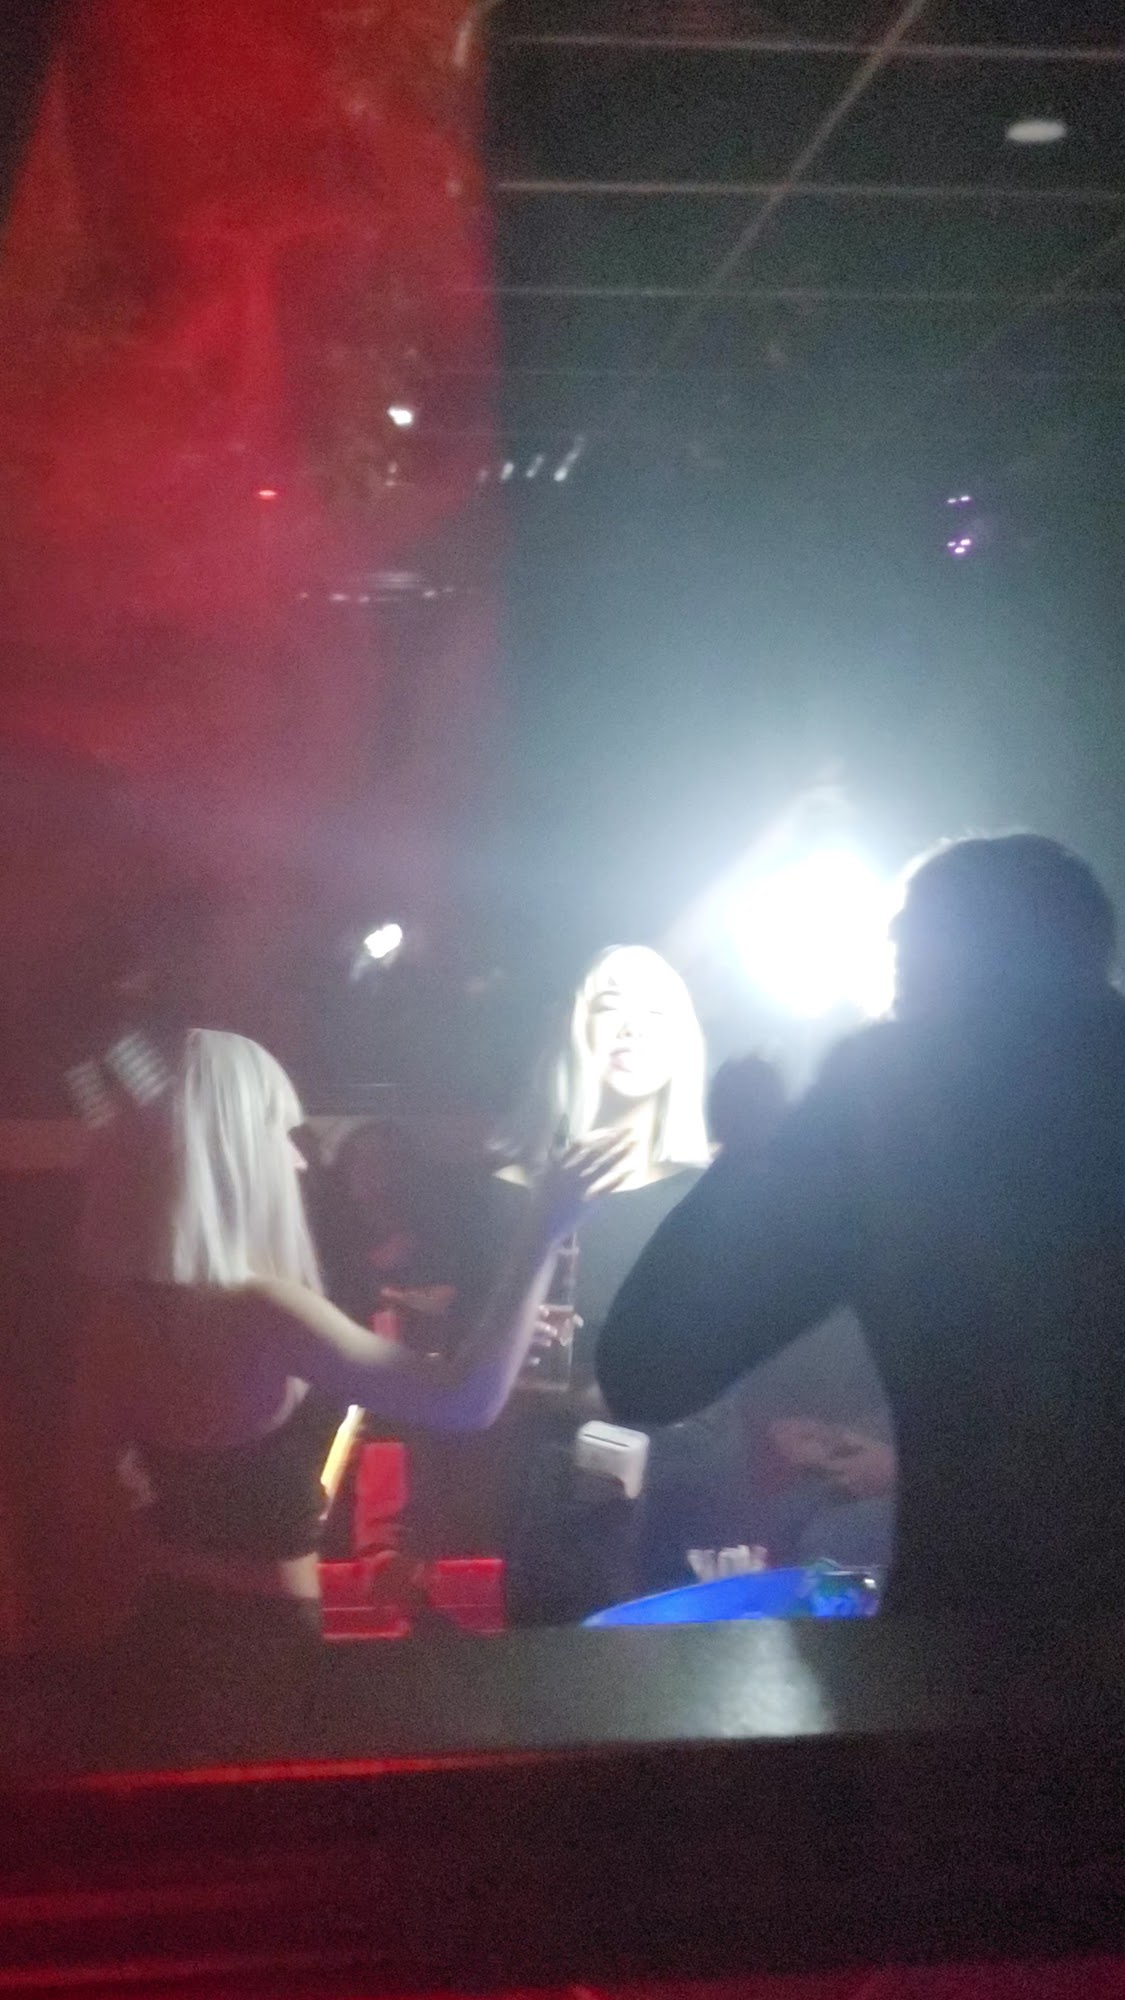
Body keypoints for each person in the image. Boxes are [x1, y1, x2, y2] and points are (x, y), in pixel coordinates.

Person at [598, 834, 1125, 1622]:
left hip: (980, 1643)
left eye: (899, 946)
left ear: (919, 958)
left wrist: (747, 1156)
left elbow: (648, 1369)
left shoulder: (891, 1097)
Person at [60, 1029, 627, 1728]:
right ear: (231, 1152)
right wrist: (544, 1229)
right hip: (259, 1643)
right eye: (281, 1134)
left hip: (160, 1625)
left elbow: (88, 1489)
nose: (299, 1159)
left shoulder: (119, 1312)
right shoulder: (262, 1310)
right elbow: (465, 1402)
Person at [430, 945, 723, 1620]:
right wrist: (505, 1340)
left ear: (684, 1039)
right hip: (554, 1484)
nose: (632, 1028)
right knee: (561, 1665)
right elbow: (461, 1361)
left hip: (685, 1482)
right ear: (572, 1029)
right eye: (610, 1006)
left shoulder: (712, 1191)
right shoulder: (507, 1192)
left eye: (656, 1012)